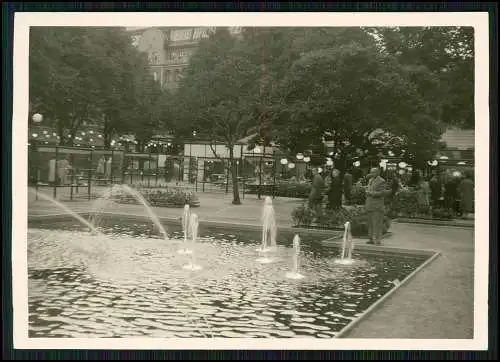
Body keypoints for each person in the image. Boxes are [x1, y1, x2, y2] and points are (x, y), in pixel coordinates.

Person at [365, 167, 391, 245]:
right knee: (370, 223)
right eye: (371, 172)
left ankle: (377, 239)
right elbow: (369, 189)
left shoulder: (381, 181)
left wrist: (370, 193)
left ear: (377, 173)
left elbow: (382, 193)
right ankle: (371, 238)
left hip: (377, 205)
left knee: (377, 223)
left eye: (373, 172)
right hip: (370, 204)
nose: (371, 174)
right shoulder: (370, 180)